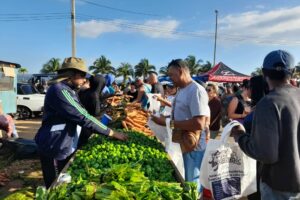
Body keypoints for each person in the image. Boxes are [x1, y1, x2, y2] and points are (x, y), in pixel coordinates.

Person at [34, 57, 127, 188]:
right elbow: (83, 116)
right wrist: (111, 132)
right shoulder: (60, 90)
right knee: (54, 185)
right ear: (74, 74)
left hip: (62, 141)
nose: (85, 80)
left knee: (62, 180)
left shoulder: (69, 90)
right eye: (83, 76)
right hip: (54, 145)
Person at [232, 50, 300, 199]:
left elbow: (266, 154)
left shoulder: (268, 103)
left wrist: (239, 136)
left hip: (279, 186)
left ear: (264, 73)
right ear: (293, 72)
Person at [166, 59, 210, 192]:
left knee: (192, 182)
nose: (170, 79)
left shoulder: (196, 90)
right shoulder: (182, 90)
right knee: (186, 179)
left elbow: (199, 123)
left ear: (180, 71)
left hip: (193, 146)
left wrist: (173, 124)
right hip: (183, 142)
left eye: (172, 75)